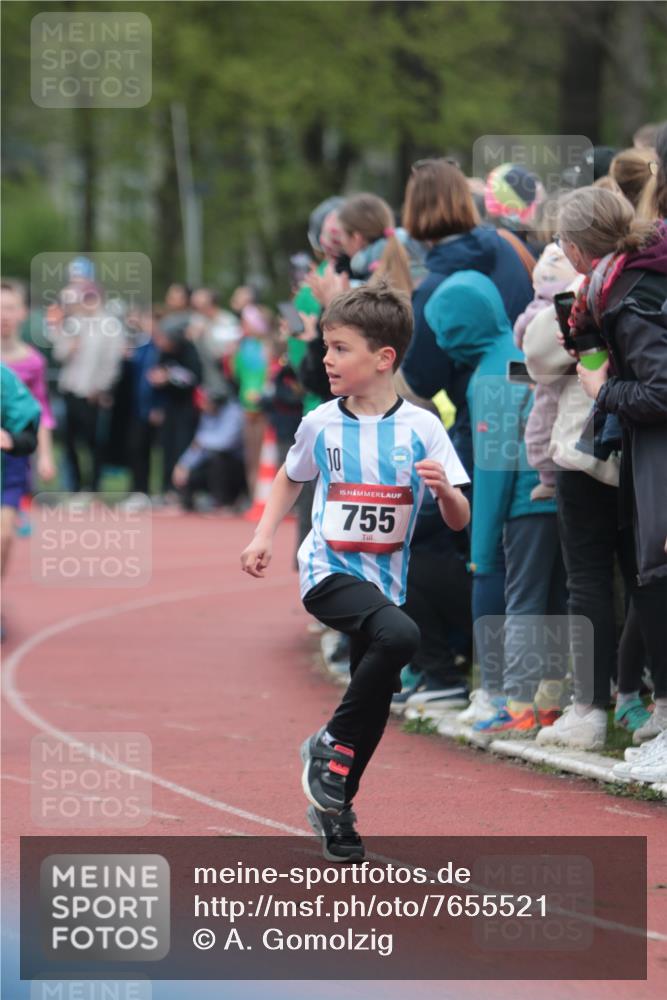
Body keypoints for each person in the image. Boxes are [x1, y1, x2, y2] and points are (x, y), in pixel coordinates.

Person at [240, 281, 469, 860]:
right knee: (403, 636)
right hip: (328, 573)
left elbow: (460, 519)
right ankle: (328, 744)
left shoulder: (422, 428)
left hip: (385, 584)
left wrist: (446, 494)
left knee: (374, 703)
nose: (327, 359)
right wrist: (264, 534)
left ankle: (335, 806)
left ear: (383, 358)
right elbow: (290, 475)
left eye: (340, 348)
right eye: (326, 347)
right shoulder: (321, 422)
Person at [425, 271, 567, 736]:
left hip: (524, 503)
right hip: (559, 492)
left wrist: (482, 547)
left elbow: (493, 467)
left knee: (522, 600)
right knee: (554, 598)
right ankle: (550, 700)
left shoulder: (488, 374)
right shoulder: (520, 351)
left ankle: (517, 701)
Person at [556, 187, 667, 746]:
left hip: (655, 451)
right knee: (650, 575)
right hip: (643, 450)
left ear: (576, 250)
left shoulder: (625, 293)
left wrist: (603, 389)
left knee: (654, 574)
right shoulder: (639, 271)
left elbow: (661, 390)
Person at [1, 364, 41, 639]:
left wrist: (11, 440)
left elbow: (29, 436)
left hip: (4, 474)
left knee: (2, 536)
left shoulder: (3, 379)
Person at [172, 383, 246, 511]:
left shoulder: (234, 413)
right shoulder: (207, 414)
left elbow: (225, 443)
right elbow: (197, 445)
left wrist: (202, 441)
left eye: (206, 402)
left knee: (217, 458)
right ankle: (189, 502)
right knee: (189, 472)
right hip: (212, 460)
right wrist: (183, 465)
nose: (203, 406)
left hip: (235, 466)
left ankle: (223, 502)